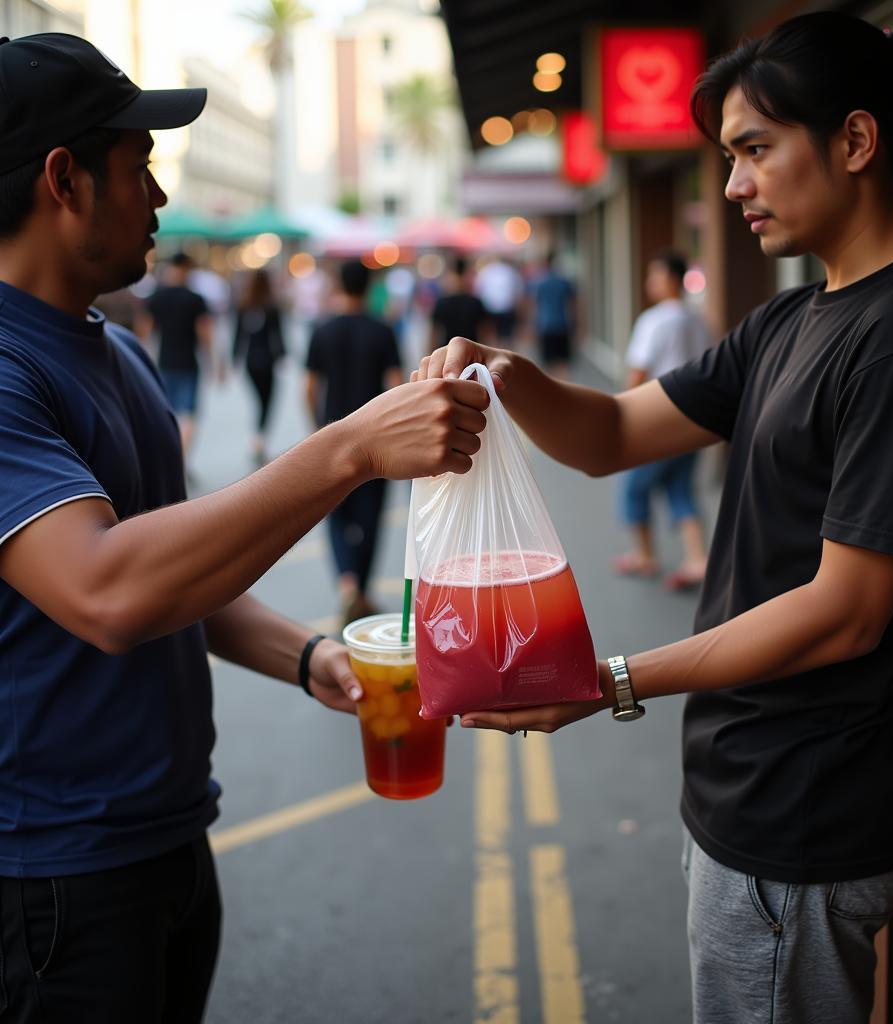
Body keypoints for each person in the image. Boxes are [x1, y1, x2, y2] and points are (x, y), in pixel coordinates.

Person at [415, 12, 893, 1024]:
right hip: (745, 792)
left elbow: (845, 612)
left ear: (855, 142)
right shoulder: (791, 317)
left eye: (754, 151)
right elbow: (607, 431)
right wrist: (504, 373)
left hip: (801, 811)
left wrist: (610, 682)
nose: (730, 186)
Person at [0, 33, 488, 1024]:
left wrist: (308, 655)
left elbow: (184, 572)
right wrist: (348, 449)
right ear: (66, 179)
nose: (161, 201)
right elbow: (105, 590)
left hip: (166, 841)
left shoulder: (118, 351)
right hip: (49, 875)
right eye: (141, 171)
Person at [306, 259, 405, 628]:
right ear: (368, 288)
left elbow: (310, 387)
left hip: (333, 436)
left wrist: (318, 426)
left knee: (335, 514)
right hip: (374, 439)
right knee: (370, 515)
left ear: (339, 286)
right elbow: (396, 384)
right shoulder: (382, 331)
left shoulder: (323, 330)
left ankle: (348, 585)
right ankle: (360, 589)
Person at [613, 250, 713, 587]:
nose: (649, 282)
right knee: (681, 488)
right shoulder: (698, 319)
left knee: (633, 487)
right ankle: (697, 558)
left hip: (657, 419)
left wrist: (620, 414)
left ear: (671, 279)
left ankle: (644, 555)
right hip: (695, 418)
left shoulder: (654, 320)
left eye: (654, 275)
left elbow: (638, 372)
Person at [136, 251, 212, 457]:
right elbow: (205, 333)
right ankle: (181, 458)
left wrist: (138, 359)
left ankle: (171, 459)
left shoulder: (157, 296)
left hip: (164, 362)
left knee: (166, 414)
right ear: (187, 269)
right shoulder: (195, 299)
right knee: (188, 415)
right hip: (189, 362)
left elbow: (144, 330)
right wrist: (213, 362)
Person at [233, 267, 285, 466]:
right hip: (267, 361)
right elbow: (278, 335)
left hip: (250, 361)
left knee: (258, 401)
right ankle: (259, 440)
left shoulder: (244, 305)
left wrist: (234, 357)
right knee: (267, 401)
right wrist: (282, 355)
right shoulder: (271, 306)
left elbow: (237, 335)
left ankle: (257, 440)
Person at [429, 254, 491, 357]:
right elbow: (486, 332)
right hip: (472, 353)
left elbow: (434, 333)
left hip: (447, 353)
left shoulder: (442, 302)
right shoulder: (475, 302)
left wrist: (431, 355)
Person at [529, 251, 577, 378]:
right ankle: (565, 389)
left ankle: (552, 392)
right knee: (563, 363)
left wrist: (533, 327)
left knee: (548, 363)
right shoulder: (565, 282)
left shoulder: (541, 283)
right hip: (562, 325)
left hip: (546, 326)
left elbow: (535, 306)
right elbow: (573, 306)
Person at [474, 255, 522, 345]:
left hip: (490, 306)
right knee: (506, 333)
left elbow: (478, 289)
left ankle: (495, 349)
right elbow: (518, 290)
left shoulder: (486, 271)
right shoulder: (510, 271)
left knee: (493, 332)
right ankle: (505, 349)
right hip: (507, 306)